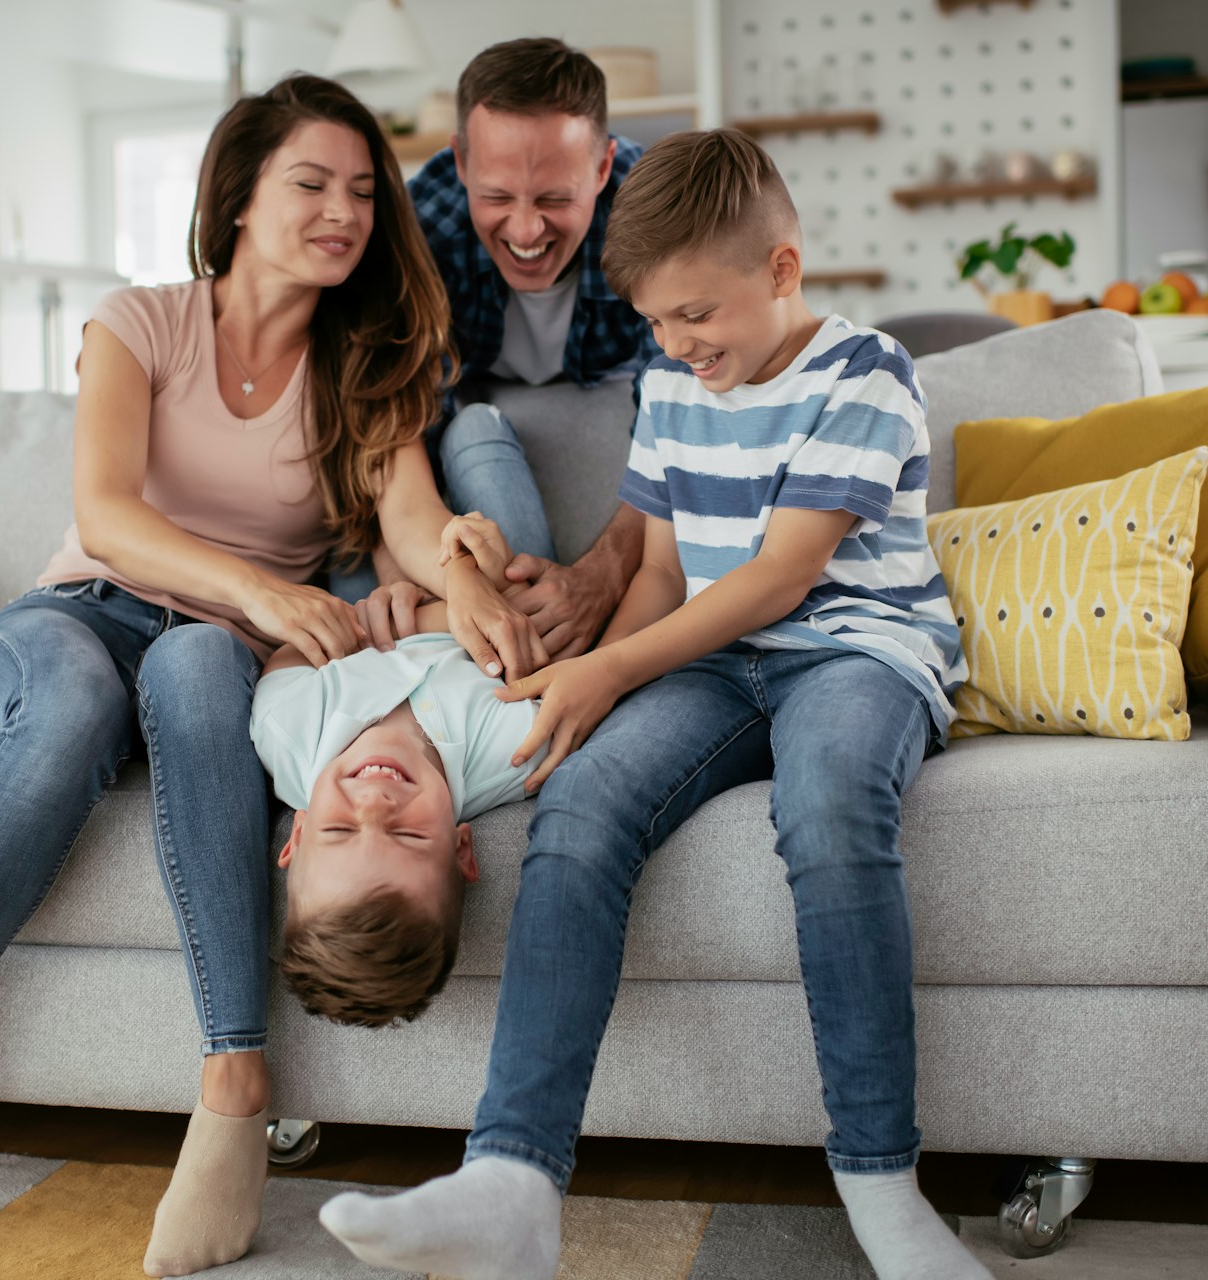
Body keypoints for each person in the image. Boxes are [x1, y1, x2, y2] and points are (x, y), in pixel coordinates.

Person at [0, 74, 542, 1280]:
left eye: (364, 191)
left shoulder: (363, 362)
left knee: (203, 657)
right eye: (310, 183)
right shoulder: (142, 322)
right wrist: (264, 586)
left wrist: (462, 576)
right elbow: (105, 514)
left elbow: (411, 514)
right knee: (74, 709)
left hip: (215, 655)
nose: (345, 211)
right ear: (238, 195)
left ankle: (233, 1075)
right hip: (74, 622)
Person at [317, 129, 985, 1280]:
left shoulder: (867, 370)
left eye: (697, 316)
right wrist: (588, 692)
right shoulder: (671, 383)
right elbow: (666, 576)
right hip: (716, 659)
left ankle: (881, 1182)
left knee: (828, 808)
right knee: (580, 804)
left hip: (855, 650)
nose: (677, 343)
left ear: (782, 271)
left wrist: (609, 669)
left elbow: (779, 577)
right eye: (660, 323)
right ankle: (512, 1181)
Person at [366, 37, 659, 662]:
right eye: (497, 198)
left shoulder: (656, 217)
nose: (526, 230)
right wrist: (402, 570)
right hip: (466, 418)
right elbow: (390, 426)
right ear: (463, 164)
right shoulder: (417, 231)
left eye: (556, 198)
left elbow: (692, 423)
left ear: (604, 167)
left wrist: (604, 574)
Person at [254, 553, 543, 1029]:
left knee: (352, 548)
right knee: (505, 551)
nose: (373, 804)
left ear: (299, 830)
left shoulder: (285, 731)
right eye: (407, 837)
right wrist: (427, 604)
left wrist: (383, 607)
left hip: (352, 602)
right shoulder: (518, 750)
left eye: (340, 828)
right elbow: (527, 618)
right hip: (479, 577)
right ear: (461, 847)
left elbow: (290, 652)